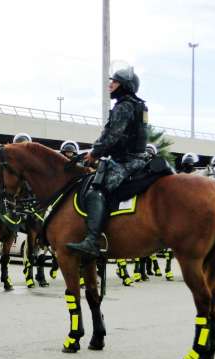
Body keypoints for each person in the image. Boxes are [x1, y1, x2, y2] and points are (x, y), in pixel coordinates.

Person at [66, 66, 148, 257]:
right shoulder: (137, 105)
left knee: (96, 191)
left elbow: (113, 136)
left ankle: (92, 240)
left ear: (125, 86)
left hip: (126, 162)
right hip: (136, 159)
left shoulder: (123, 106)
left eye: (115, 81)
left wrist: (94, 154)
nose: (110, 84)